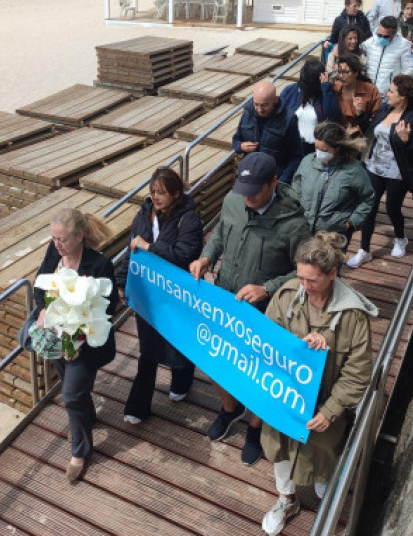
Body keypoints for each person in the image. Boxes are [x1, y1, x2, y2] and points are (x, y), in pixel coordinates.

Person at [189, 152, 311, 466]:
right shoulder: (233, 201)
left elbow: (305, 273)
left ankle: (255, 426)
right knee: (214, 358)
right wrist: (206, 256)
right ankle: (230, 409)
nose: (248, 198)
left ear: (274, 182)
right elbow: (219, 234)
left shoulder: (294, 223)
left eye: (255, 191)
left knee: (260, 372)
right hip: (226, 298)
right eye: (244, 191)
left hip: (267, 311)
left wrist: (267, 288)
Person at [259, 232, 376, 535]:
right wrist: (300, 346)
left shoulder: (352, 316)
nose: (305, 286)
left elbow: (358, 371)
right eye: (300, 277)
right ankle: (286, 498)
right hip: (284, 396)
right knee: (279, 447)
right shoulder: (286, 295)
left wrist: (331, 410)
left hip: (325, 402)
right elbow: (266, 344)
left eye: (312, 281)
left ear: (333, 274)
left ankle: (326, 485)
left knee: (323, 451)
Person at [21, 208, 118, 483]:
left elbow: (109, 306)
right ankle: (87, 420)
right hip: (56, 337)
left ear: (79, 236)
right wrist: (42, 310)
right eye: (53, 238)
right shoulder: (56, 255)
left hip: (85, 343)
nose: (56, 244)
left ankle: (80, 451)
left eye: (62, 239)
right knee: (75, 391)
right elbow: (40, 287)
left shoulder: (99, 264)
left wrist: (79, 321)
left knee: (72, 395)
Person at [116, 167, 203, 424]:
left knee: (179, 343)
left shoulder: (189, 220)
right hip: (148, 294)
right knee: (148, 351)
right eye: (153, 191)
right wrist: (122, 282)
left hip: (177, 295)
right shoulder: (143, 215)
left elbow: (183, 255)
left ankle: (182, 379)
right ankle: (138, 406)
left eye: (162, 192)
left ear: (176, 194)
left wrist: (151, 247)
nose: (156, 197)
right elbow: (131, 251)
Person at [347, 76, 413, 268]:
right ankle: (364, 250)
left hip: (397, 174)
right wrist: (360, 114)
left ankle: (400, 238)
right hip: (374, 168)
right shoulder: (385, 110)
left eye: (392, 91)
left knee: (392, 208)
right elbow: (371, 130)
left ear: (404, 96)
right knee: (370, 208)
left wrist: (406, 141)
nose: (387, 94)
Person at [292, 121, 375, 246]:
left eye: (324, 150)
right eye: (317, 148)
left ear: (338, 148)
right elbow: (296, 188)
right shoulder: (307, 161)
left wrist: (352, 222)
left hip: (333, 236)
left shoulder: (354, 170)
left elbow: (368, 199)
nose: (319, 153)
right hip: (303, 231)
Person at [232, 79, 303, 183]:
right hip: (249, 177)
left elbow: (296, 156)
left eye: (264, 105)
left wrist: (281, 182)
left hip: (273, 180)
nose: (260, 109)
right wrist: (241, 146)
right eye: (256, 104)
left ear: (275, 99)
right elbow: (236, 140)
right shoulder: (248, 113)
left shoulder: (288, 120)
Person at [280, 59, 342, 156]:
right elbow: (280, 115)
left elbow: (333, 116)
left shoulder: (325, 94)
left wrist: (325, 87)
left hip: (315, 148)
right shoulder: (290, 91)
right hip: (291, 146)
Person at [359, 15, 413, 98]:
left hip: (387, 96)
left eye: (386, 36)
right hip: (368, 92)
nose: (382, 38)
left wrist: (396, 89)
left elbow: (408, 70)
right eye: (379, 35)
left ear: (395, 32)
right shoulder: (369, 43)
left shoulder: (403, 45)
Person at [333, 53, 381, 137]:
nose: (341, 76)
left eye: (345, 72)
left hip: (363, 137)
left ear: (356, 73)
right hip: (339, 138)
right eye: (339, 72)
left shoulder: (371, 90)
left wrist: (357, 128)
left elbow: (377, 119)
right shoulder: (335, 88)